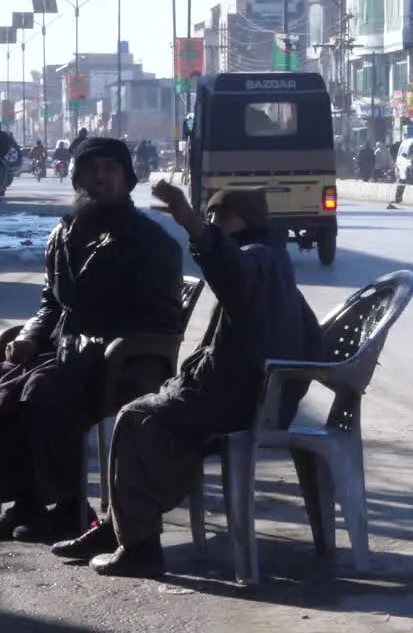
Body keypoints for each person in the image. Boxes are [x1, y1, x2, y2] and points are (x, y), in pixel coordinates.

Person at [50, 183, 322, 578]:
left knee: (135, 418)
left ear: (250, 222)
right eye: (211, 216)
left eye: (223, 217)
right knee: (147, 410)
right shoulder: (274, 259)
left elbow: (230, 270)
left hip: (234, 398)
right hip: (245, 392)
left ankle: (138, 545)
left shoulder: (257, 259)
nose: (215, 225)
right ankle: (117, 528)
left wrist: (191, 220)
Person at [0, 137, 185, 544]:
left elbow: (160, 320)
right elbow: (49, 304)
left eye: (111, 168)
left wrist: (92, 345)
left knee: (41, 389)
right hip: (69, 350)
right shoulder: (65, 233)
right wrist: (31, 338)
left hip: (125, 361)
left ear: (127, 179)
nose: (101, 176)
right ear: (77, 178)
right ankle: (25, 504)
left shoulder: (150, 242)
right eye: (92, 168)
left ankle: (71, 507)